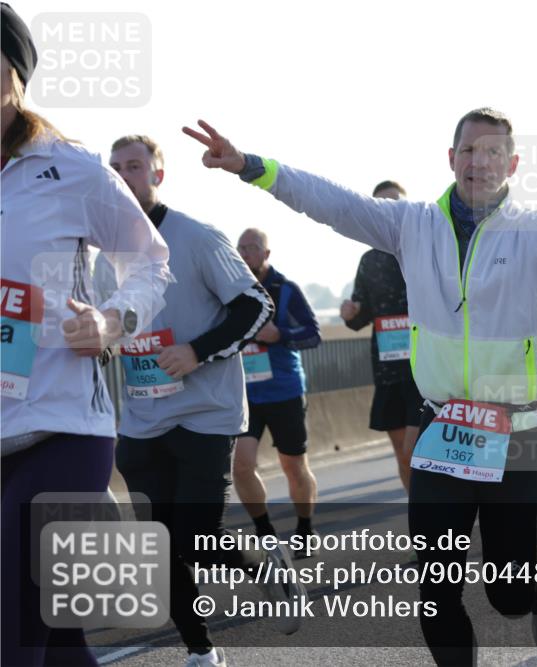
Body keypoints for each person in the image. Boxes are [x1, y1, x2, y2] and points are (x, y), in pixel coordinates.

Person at [182, 110, 537, 665]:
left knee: (511, 594)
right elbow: (332, 202)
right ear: (450, 157)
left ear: (512, 165)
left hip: (516, 430)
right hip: (441, 428)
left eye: (492, 152)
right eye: (469, 150)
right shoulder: (409, 224)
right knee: (436, 591)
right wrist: (250, 165)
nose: (478, 161)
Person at [1, 7, 170, 665]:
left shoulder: (68, 167)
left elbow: (150, 261)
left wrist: (110, 322)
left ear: (15, 72)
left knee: (14, 628)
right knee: (59, 643)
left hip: (65, 428)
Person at [108, 134, 304, 666]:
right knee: (160, 547)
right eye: (115, 168)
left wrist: (197, 351)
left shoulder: (197, 238)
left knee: (195, 539)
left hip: (205, 414)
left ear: (158, 175)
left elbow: (253, 307)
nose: (124, 176)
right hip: (143, 418)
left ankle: (267, 573)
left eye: (135, 166)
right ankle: (201, 650)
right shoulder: (100, 249)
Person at [233, 227, 321, 554]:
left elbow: (313, 334)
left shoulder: (286, 290)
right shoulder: (231, 291)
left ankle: (305, 528)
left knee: (293, 465)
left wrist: (280, 335)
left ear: (266, 254)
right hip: (246, 395)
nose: (245, 254)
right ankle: (265, 531)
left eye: (252, 248)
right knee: (241, 465)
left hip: (285, 391)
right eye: (240, 248)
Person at [340, 180, 424, 493]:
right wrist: (350, 313)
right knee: (403, 457)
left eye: (395, 205)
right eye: (381, 206)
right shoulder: (369, 260)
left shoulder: (423, 250)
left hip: (425, 370)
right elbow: (360, 316)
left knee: (414, 453)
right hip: (388, 371)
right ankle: (424, 528)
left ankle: (442, 519)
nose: (388, 213)